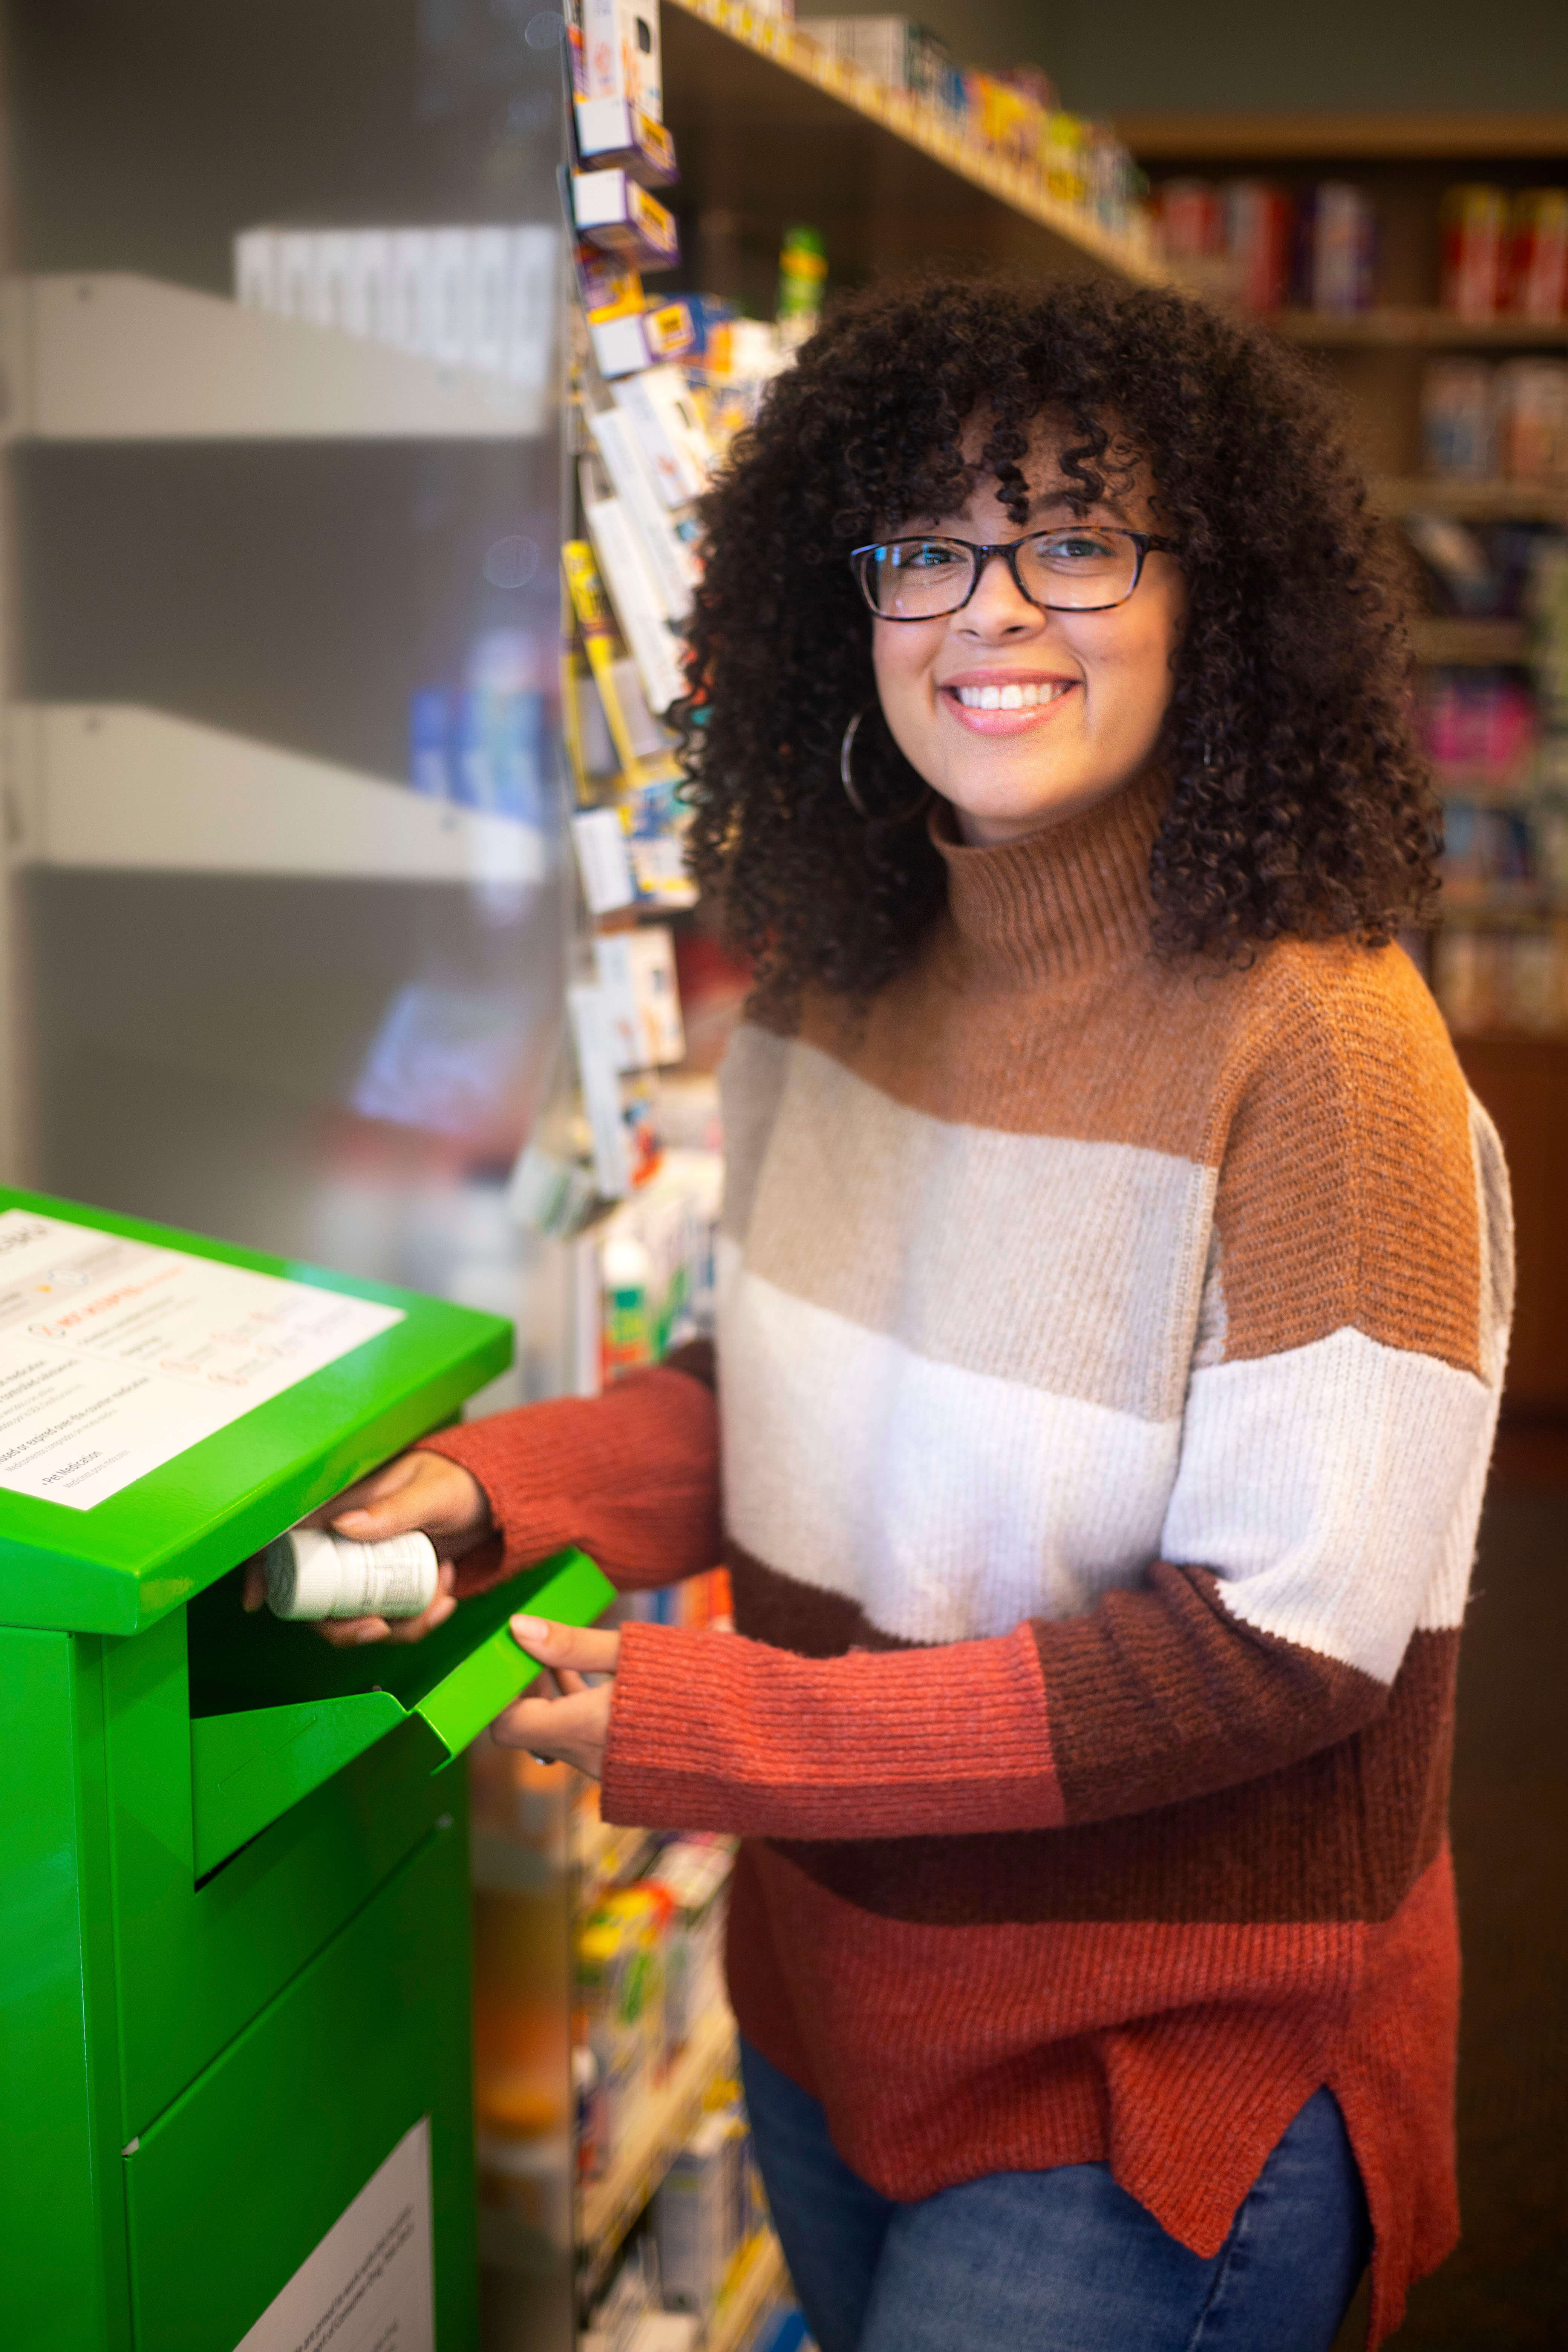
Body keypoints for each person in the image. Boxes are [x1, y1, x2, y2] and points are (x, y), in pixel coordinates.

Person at [266, 277, 1512, 2350]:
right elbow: (779, 1389)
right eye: (926, 546)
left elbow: (1281, 1655)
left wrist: (725, 1726)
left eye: (1077, 540)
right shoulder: (839, 976)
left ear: (1221, 600)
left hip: (1150, 2086)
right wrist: (483, 1498)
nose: (990, 609)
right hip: (834, 2003)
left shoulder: (1330, 1055)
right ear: (842, 602)